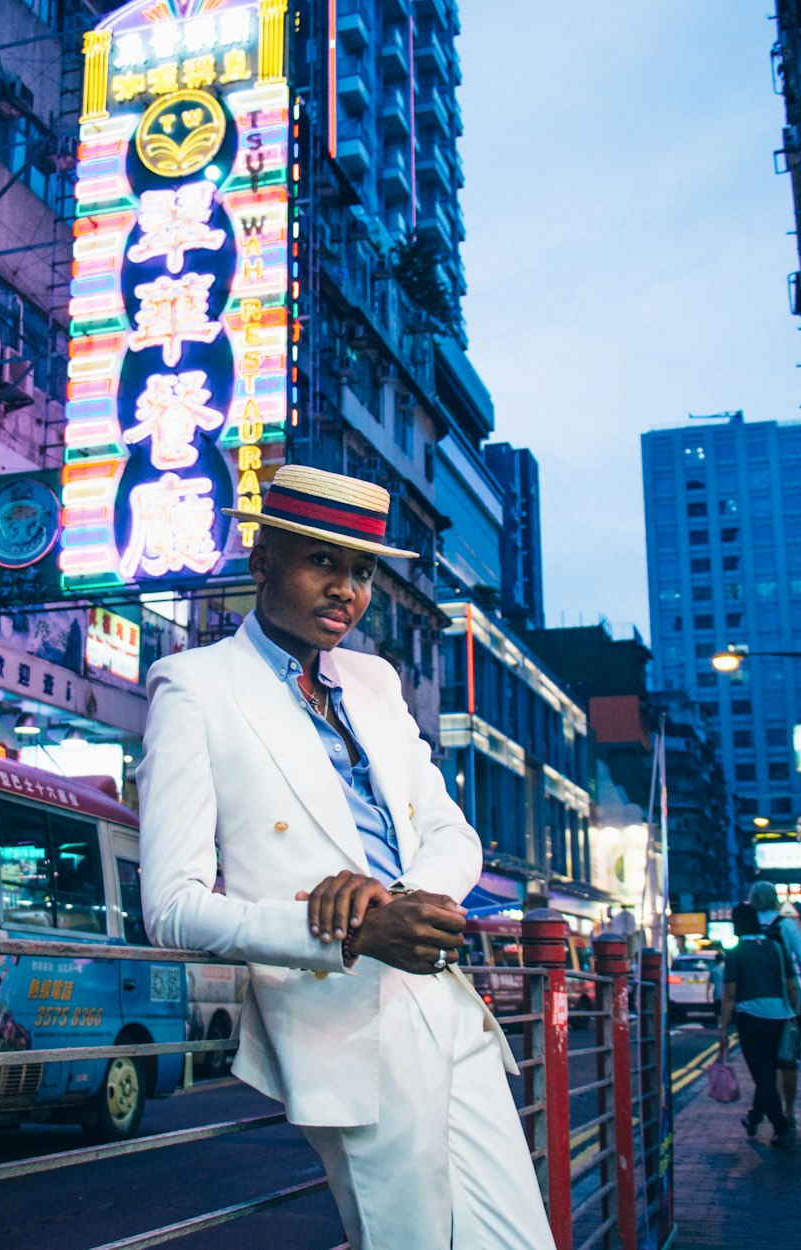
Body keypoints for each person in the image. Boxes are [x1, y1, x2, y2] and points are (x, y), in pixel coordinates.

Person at [138, 466, 556, 1250]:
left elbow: (453, 835)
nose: (347, 591)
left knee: (520, 1240)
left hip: (441, 998)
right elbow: (170, 905)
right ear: (262, 562)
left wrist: (399, 904)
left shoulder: (372, 681)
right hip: (340, 1020)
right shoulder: (194, 688)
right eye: (322, 562)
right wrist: (348, 933)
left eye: (362, 571)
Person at [719, 902, 799, 1147]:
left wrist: (723, 1029)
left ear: (736, 924)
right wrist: (792, 1014)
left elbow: (730, 993)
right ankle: (754, 1118)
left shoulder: (736, 951)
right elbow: (791, 985)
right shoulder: (776, 947)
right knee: (768, 1071)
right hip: (779, 1016)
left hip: (751, 1018)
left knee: (763, 1075)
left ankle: (781, 1126)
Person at [748, 881, 801, 1125]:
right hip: (787, 1000)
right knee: (786, 1061)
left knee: (763, 1064)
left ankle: (760, 1115)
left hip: (751, 1001)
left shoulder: (748, 924)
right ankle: (788, 1112)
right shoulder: (786, 924)